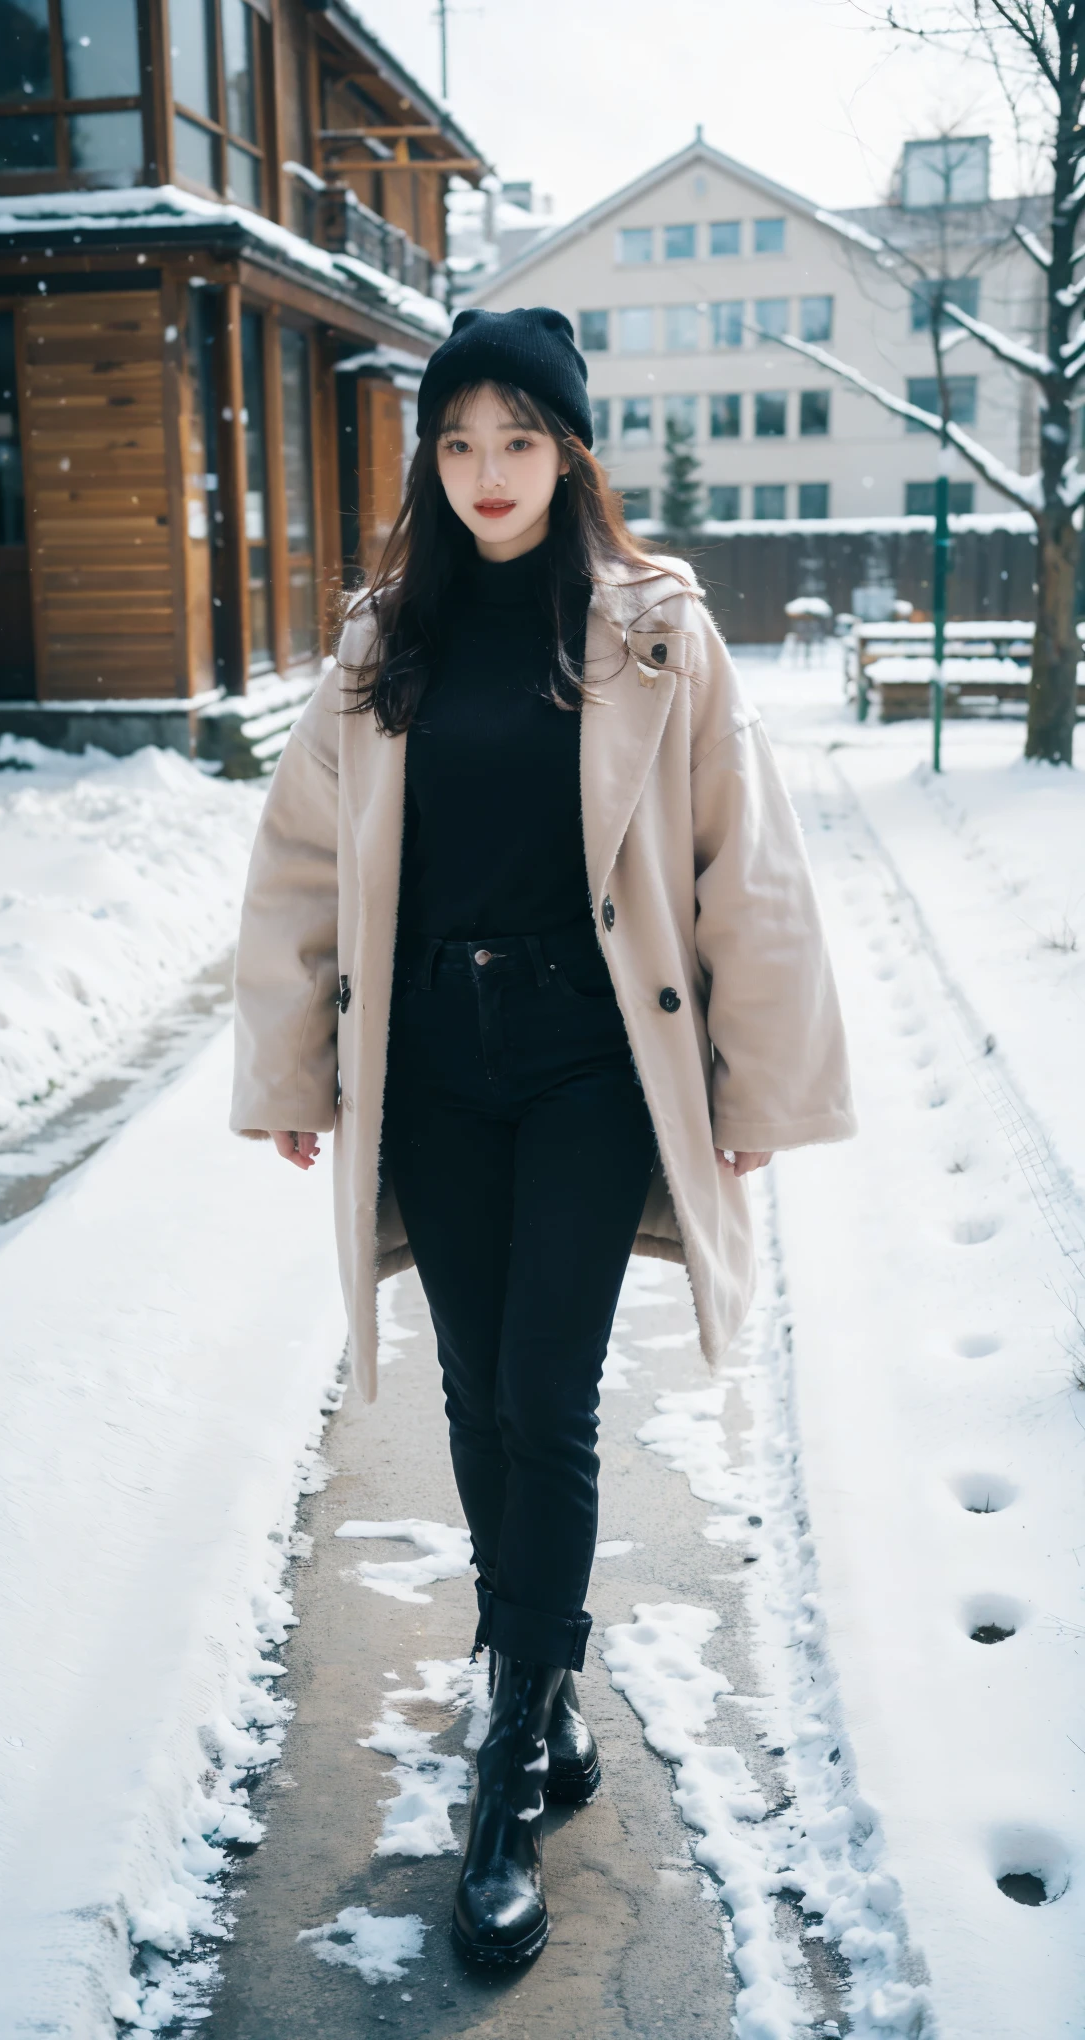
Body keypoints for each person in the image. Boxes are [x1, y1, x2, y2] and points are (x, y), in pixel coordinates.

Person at [230, 305, 855, 1968]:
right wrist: (295, 1070)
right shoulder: (383, 646)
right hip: (431, 1063)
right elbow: (301, 870)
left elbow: (746, 866)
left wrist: (755, 1088)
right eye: (458, 442)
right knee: (470, 1394)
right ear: (431, 461)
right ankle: (550, 1681)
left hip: (589, 1061)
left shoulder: (655, 630)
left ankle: (503, 1770)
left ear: (570, 448)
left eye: (518, 440)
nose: (488, 473)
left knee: (541, 1394)